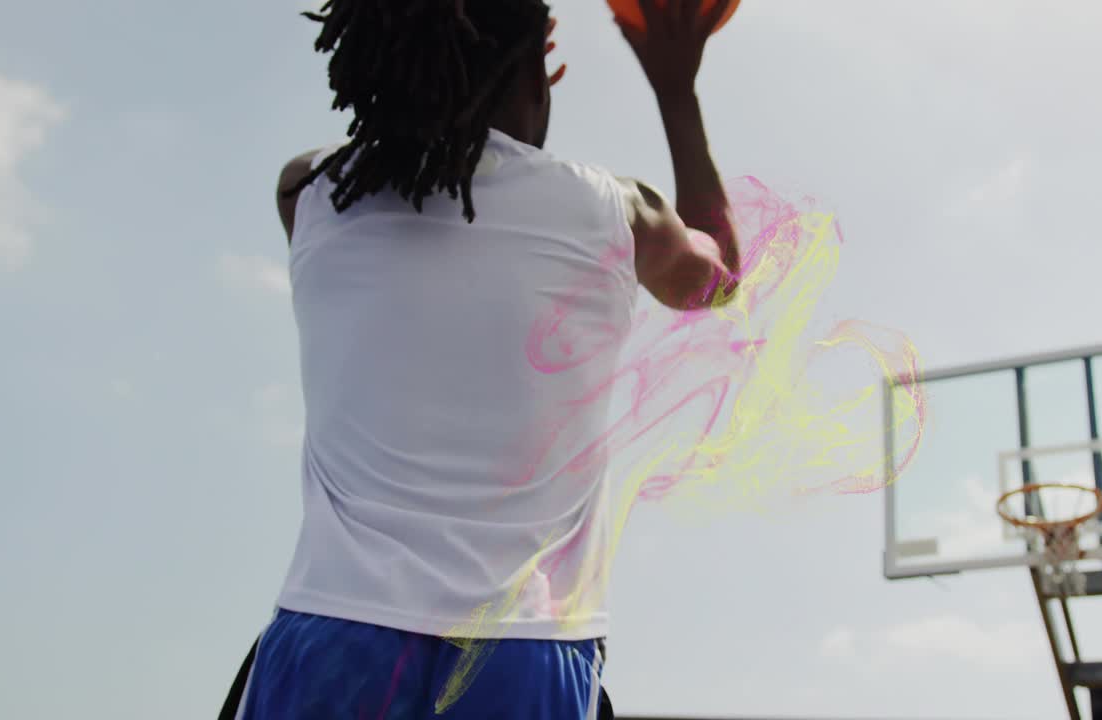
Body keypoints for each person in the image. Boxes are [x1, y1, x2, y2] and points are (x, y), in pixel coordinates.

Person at [222, 1, 741, 718]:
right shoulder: (617, 211)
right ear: (538, 70)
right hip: (522, 650)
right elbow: (721, 278)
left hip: (335, 630)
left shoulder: (309, 194)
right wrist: (675, 89)